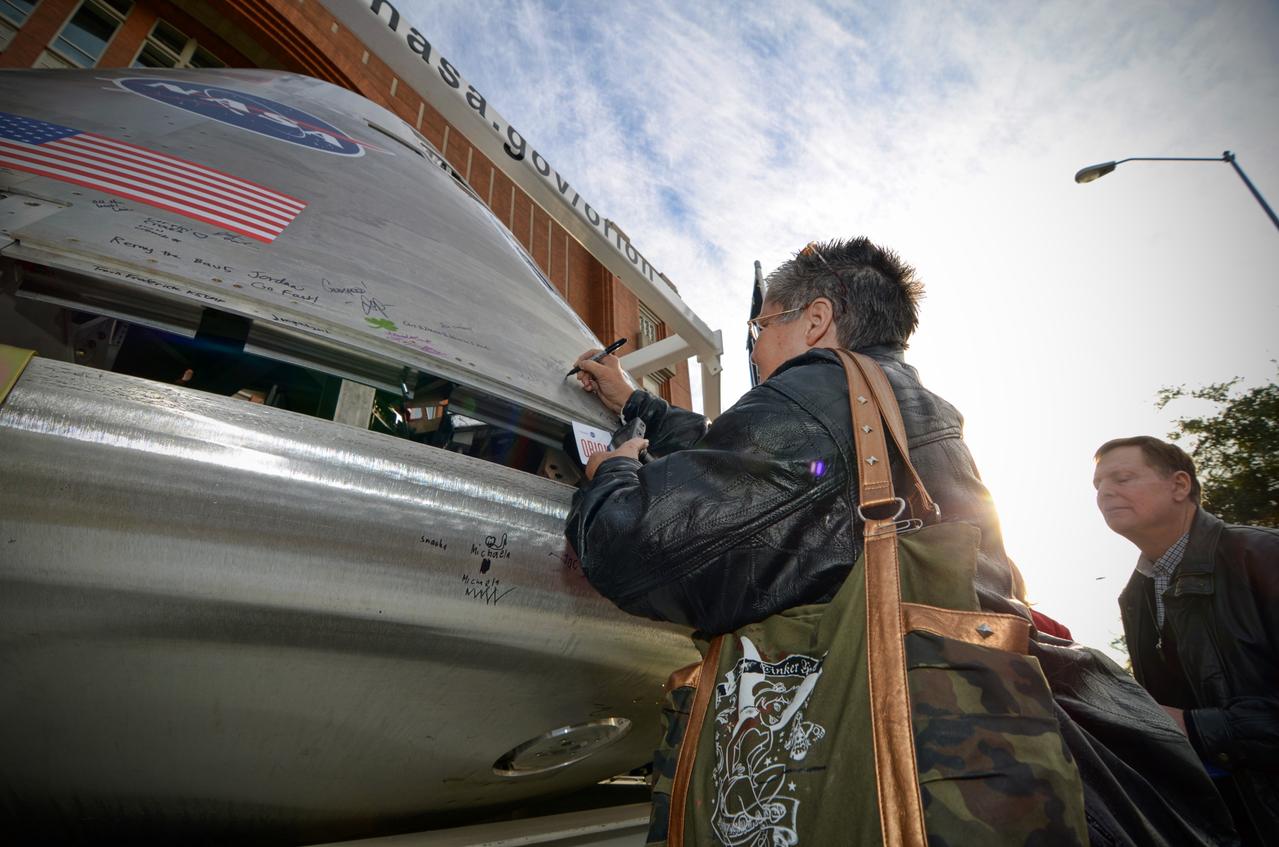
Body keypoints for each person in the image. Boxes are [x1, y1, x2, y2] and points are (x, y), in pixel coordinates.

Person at [1094, 435, 1279, 845]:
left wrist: (1191, 727)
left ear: (1180, 486)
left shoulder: (1263, 554)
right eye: (1099, 485)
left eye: (1123, 478)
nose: (1105, 492)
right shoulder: (1135, 596)